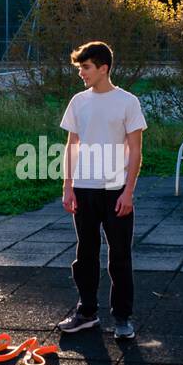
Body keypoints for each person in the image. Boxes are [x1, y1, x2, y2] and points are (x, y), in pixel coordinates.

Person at [56, 41, 147, 340]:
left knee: (119, 256)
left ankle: (122, 317)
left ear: (103, 68)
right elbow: (72, 145)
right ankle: (87, 312)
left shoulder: (127, 102)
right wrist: (67, 186)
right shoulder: (78, 101)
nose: (81, 73)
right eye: (80, 67)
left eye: (86, 67)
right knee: (86, 253)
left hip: (115, 189)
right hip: (83, 188)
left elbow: (136, 151)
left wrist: (128, 191)